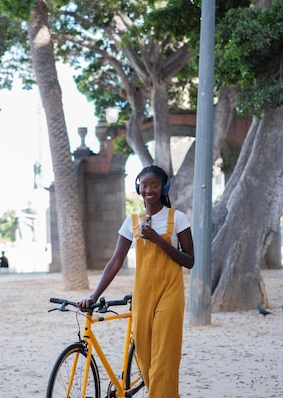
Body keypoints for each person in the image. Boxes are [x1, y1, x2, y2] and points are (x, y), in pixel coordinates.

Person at [78, 165, 194, 398]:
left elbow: (189, 261)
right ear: (138, 188)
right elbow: (115, 261)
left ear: (164, 188)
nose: (149, 190)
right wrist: (94, 295)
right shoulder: (131, 222)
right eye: (144, 185)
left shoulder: (177, 218)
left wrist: (158, 240)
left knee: (164, 358)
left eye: (154, 185)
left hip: (170, 295)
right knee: (146, 360)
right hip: (142, 296)